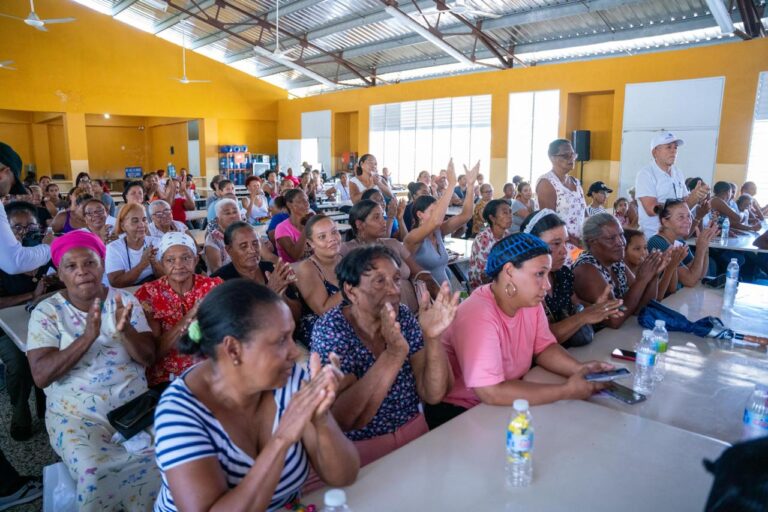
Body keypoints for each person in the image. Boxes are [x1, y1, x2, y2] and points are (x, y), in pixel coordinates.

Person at [153, 279, 358, 511]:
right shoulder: (179, 415)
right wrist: (281, 440)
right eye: (281, 340)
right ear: (233, 349)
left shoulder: (286, 377)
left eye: (291, 336)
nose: (294, 352)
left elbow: (343, 476)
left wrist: (321, 420)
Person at [26, 231, 159, 511]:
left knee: (172, 451)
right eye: (71, 266)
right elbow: (41, 376)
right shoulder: (47, 312)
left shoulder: (124, 301)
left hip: (135, 409)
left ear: (102, 265)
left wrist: (126, 330)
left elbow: (149, 358)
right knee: (95, 470)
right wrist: (87, 337)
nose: (82, 271)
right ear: (60, 273)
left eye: (90, 263)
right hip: (76, 415)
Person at [427, 233, 614, 429]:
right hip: (461, 415)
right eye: (539, 274)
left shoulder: (529, 301)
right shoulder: (478, 313)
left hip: (503, 402)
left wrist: (581, 370)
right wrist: (566, 391)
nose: (547, 285)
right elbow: (490, 392)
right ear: (509, 271)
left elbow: (544, 347)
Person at [311, 245, 458, 466]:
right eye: (379, 281)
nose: (394, 290)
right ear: (351, 291)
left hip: (416, 435)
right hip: (361, 453)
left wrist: (433, 337)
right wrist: (394, 354)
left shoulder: (404, 317)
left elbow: (433, 394)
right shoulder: (331, 328)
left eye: (396, 279)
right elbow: (344, 419)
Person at [520, 210, 624, 346]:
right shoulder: (525, 285)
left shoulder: (562, 274)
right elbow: (543, 336)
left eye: (565, 243)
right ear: (531, 245)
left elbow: (575, 304)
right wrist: (584, 316)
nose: (564, 251)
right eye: (556, 243)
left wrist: (598, 308)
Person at [135, 232, 222, 388]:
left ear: (196, 260)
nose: (179, 265)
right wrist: (190, 316)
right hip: (167, 379)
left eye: (186, 258)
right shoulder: (149, 294)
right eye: (170, 260)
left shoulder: (213, 287)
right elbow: (153, 354)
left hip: (212, 372)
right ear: (161, 264)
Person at [0, 202, 54, 441]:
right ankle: (20, 411)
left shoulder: (44, 253)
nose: (24, 233)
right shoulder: (3, 259)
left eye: (30, 227)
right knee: (19, 363)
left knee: (51, 353)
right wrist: (32, 295)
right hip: (5, 328)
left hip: (43, 321)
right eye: (17, 228)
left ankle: (46, 410)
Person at [573, 213, 668, 328]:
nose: (621, 242)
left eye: (621, 235)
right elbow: (615, 320)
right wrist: (642, 280)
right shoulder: (586, 268)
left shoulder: (616, 262)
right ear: (592, 242)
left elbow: (643, 305)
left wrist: (654, 274)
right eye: (611, 238)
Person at [344, 200, 439, 312]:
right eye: (376, 217)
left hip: (414, 314)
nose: (383, 221)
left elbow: (419, 272)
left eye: (382, 216)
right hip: (380, 317)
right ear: (359, 224)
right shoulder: (348, 250)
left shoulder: (393, 244)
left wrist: (436, 290)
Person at [405, 160, 478, 285]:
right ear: (420, 214)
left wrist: (470, 186)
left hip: (445, 292)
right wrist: (451, 185)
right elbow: (436, 221)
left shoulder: (438, 231)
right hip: (427, 294)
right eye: (433, 211)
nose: (438, 214)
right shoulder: (413, 237)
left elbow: (466, 215)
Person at [635, 132, 709, 237]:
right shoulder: (646, 174)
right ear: (655, 152)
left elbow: (685, 206)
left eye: (675, 148)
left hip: (675, 237)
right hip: (653, 237)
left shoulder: (678, 173)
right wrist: (680, 207)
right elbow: (651, 209)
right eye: (668, 147)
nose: (673, 151)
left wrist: (695, 197)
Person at [647, 199, 720, 289]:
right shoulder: (657, 242)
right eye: (681, 217)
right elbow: (690, 280)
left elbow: (700, 275)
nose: (688, 221)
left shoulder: (679, 241)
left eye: (689, 216)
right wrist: (700, 249)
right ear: (665, 221)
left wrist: (705, 245)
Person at [294, 215, 343, 345]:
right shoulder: (307, 268)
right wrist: (354, 285)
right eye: (322, 237)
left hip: (350, 317)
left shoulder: (345, 260)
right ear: (311, 243)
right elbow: (323, 310)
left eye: (334, 232)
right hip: (323, 328)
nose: (332, 238)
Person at [536, 139, 588, 257]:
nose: (571, 159)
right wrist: (575, 242)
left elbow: (584, 213)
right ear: (552, 158)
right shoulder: (547, 183)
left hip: (581, 244)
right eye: (565, 155)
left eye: (572, 155)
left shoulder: (576, 182)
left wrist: (590, 236)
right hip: (561, 246)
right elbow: (549, 221)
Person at [105, 203, 163, 287]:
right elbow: (116, 283)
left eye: (144, 220)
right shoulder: (114, 248)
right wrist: (143, 264)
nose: (142, 224)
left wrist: (154, 261)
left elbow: (166, 277)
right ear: (123, 225)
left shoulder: (157, 242)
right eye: (135, 221)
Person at [468, 199, 513, 290]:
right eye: (505, 213)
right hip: (483, 287)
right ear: (492, 218)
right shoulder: (483, 239)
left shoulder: (507, 235)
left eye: (510, 212)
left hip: (502, 281)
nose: (509, 216)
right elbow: (485, 276)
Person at [204, 197, 241, 274]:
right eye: (227, 213)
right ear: (218, 220)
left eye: (235, 212)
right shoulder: (213, 240)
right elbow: (217, 271)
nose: (233, 216)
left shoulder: (246, 233)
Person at [274, 189, 313, 263]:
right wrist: (307, 227)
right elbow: (296, 256)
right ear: (289, 205)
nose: (307, 204)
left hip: (313, 266)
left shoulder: (311, 222)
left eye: (307, 200)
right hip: (294, 269)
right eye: (302, 200)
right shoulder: (282, 228)